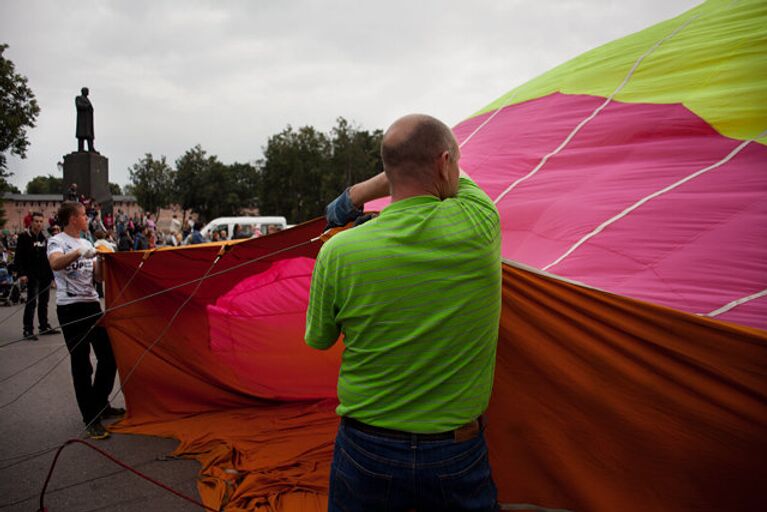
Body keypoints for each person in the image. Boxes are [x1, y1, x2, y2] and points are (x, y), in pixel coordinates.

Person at [305, 114, 502, 511]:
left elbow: (320, 339)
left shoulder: (339, 252)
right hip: (455, 449)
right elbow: (456, 178)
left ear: (389, 168)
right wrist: (370, 187)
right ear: (444, 163)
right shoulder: (480, 225)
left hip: (365, 448)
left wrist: (354, 197)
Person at [47, 201, 123, 440]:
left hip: (90, 304)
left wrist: (101, 259)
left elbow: (98, 279)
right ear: (72, 218)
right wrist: (79, 253)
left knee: (109, 356)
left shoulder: (87, 241)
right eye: (83, 215)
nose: (87, 218)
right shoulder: (57, 241)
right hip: (70, 308)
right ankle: (90, 418)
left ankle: (100, 404)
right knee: (81, 365)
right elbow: (56, 263)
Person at [15, 212, 59, 340]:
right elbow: (18, 258)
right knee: (31, 302)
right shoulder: (24, 237)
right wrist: (21, 274)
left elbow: (49, 258)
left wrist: (52, 276)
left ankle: (44, 326)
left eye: (41, 221)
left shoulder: (46, 237)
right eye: (36, 221)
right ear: (31, 222)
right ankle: (28, 329)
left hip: (44, 274)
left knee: (44, 302)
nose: (39, 224)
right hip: (31, 275)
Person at [75, 87, 96, 152]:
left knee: (89, 135)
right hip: (82, 120)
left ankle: (91, 148)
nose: (88, 92)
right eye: (86, 91)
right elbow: (79, 106)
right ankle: (80, 149)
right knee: (82, 135)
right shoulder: (78, 98)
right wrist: (87, 106)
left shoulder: (88, 99)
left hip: (88, 121)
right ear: (83, 91)